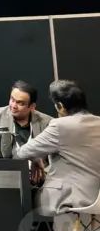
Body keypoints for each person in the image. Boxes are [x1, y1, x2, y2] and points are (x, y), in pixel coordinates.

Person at [15, 80, 100, 215]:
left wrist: (36, 159)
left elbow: (23, 152)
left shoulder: (60, 125)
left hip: (69, 199)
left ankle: (37, 230)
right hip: (96, 198)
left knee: (23, 197)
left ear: (60, 106)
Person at [0, 80, 53, 152]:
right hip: (4, 159)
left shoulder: (47, 122)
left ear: (32, 106)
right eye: (12, 99)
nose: (13, 106)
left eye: (20, 103)